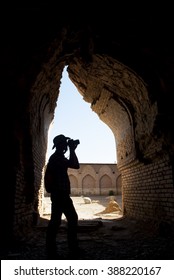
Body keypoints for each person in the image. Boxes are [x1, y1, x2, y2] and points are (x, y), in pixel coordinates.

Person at [45, 134, 81, 259]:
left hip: (61, 194)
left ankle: (56, 250)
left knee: (61, 220)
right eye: (64, 143)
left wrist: (72, 149)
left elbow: (74, 164)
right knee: (60, 221)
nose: (66, 145)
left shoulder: (58, 157)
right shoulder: (56, 158)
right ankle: (55, 250)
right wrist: (72, 149)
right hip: (60, 194)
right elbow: (75, 165)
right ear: (60, 145)